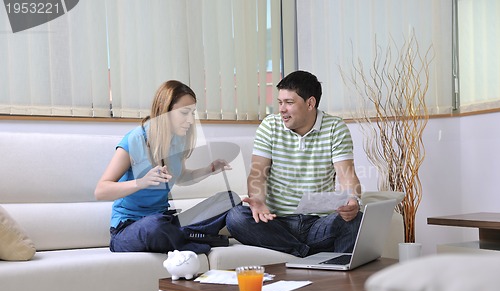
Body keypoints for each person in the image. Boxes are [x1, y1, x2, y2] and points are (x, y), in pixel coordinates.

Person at [226, 70, 363, 257]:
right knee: (236, 217)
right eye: (280, 102)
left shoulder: (335, 128)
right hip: (277, 222)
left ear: (310, 103)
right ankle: (303, 252)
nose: (282, 109)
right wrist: (257, 200)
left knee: (356, 219)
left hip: (318, 223)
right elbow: (258, 174)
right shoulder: (270, 126)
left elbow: (347, 175)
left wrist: (353, 200)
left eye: (289, 103)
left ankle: (331, 268)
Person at [95, 80, 240, 254]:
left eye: (193, 113)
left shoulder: (178, 139)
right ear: (165, 110)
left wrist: (209, 169)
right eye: (184, 113)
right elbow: (101, 190)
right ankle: (192, 238)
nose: (191, 120)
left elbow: (180, 177)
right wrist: (141, 182)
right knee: (154, 226)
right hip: (131, 228)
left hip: (166, 221)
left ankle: (184, 236)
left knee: (229, 199)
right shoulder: (135, 139)